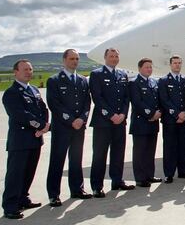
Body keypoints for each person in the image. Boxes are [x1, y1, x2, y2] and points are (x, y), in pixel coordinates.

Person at [2, 59, 48, 219]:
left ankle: (23, 198)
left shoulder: (34, 90)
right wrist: (40, 126)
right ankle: (10, 206)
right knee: (15, 174)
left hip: (35, 139)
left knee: (29, 171)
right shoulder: (11, 93)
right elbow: (20, 115)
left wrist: (44, 126)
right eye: (25, 69)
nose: (28, 72)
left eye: (30, 69)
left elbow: (43, 109)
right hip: (20, 140)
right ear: (16, 72)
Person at [46, 49, 92, 207]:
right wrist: (71, 120)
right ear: (64, 60)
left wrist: (82, 119)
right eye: (72, 58)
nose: (75, 61)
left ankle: (77, 189)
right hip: (63, 128)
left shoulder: (82, 80)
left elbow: (87, 102)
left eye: (77, 59)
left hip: (79, 127)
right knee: (57, 161)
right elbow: (54, 104)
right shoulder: (54, 80)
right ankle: (54, 194)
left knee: (76, 160)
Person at [89, 48, 134, 196]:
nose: (114, 59)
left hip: (120, 122)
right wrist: (111, 115)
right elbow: (97, 98)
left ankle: (117, 181)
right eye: (111, 56)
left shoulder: (122, 75)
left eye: (116, 56)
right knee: (100, 155)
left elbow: (127, 98)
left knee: (118, 153)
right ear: (105, 57)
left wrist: (122, 114)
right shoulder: (96, 74)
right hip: (103, 122)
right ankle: (97, 186)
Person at [158, 55, 185, 182]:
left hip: (184, 119)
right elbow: (164, 100)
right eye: (175, 63)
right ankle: (169, 173)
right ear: (170, 65)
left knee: (184, 146)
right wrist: (177, 114)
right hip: (170, 120)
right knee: (170, 147)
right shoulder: (163, 80)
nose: (177, 65)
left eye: (179, 63)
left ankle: (184, 172)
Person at [128, 58, 162, 187]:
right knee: (140, 151)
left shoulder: (153, 82)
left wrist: (158, 112)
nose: (149, 69)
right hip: (141, 122)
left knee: (150, 150)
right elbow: (137, 102)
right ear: (139, 68)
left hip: (153, 123)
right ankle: (140, 178)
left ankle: (149, 175)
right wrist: (151, 114)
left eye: (150, 67)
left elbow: (158, 100)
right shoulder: (134, 83)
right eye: (147, 67)